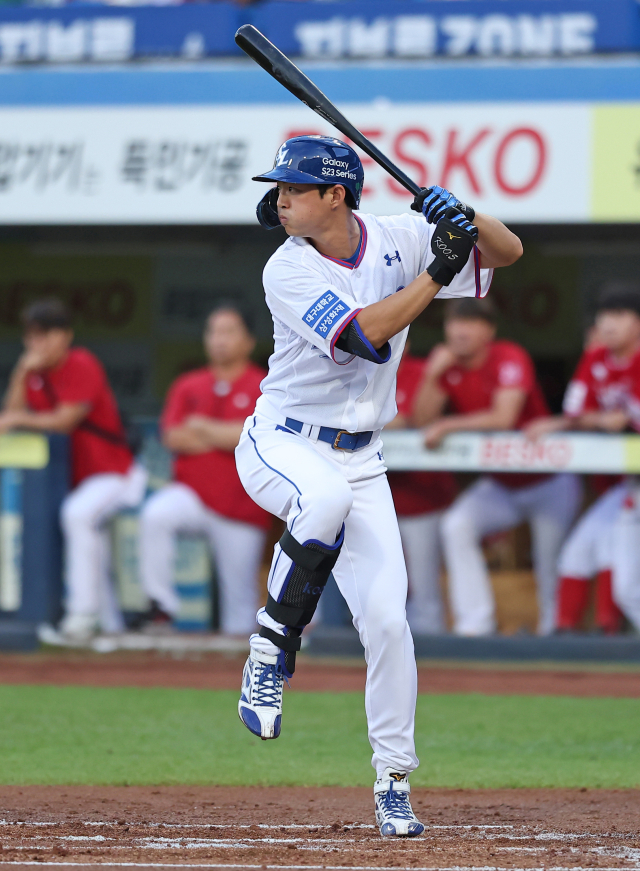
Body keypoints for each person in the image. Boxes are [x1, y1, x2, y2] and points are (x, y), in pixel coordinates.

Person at [234, 135, 521, 837]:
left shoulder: (397, 236)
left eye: (295, 188)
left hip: (363, 458)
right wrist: (433, 277)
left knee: (390, 623)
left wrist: (466, 216)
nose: (281, 198)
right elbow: (367, 334)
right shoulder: (287, 268)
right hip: (283, 441)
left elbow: (508, 253)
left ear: (336, 194)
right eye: (280, 188)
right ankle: (273, 642)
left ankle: (393, 778)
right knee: (322, 501)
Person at [414, 297, 581, 637]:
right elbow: (422, 421)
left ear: (488, 330)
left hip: (549, 481)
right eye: (455, 322)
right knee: (457, 525)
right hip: (503, 485)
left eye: (471, 323)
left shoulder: (508, 354)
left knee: (549, 560)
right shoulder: (448, 367)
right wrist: (432, 375)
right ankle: (475, 625)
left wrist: (449, 426)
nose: (461, 330)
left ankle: (553, 633)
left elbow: (504, 418)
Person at [0, 298, 147, 643]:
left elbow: (64, 420)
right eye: (33, 337)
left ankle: (83, 614)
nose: (39, 344)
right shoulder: (33, 374)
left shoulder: (82, 362)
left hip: (116, 473)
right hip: (81, 480)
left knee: (78, 515)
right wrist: (22, 370)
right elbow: (12, 413)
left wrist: (19, 418)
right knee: (83, 524)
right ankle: (107, 623)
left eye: (47, 335)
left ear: (65, 335)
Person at [138, 306, 269, 635]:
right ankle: (161, 607)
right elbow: (174, 436)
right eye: (214, 331)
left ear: (248, 341)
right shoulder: (188, 384)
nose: (219, 339)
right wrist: (228, 435)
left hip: (242, 505)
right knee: (156, 514)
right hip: (192, 496)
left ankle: (229, 678)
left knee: (240, 609)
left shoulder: (264, 384)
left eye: (229, 331)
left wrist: (204, 428)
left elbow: (256, 436)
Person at [526, 285, 640, 633]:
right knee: (577, 555)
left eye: (619, 315)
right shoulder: (596, 357)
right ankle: (568, 639)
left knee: (628, 588)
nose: (608, 324)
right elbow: (577, 412)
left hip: (629, 487)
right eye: (603, 315)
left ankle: (608, 636)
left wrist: (602, 419)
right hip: (627, 486)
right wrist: (589, 420)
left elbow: (624, 419)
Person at [386, 347, 457, 634]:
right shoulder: (357, 370)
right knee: (381, 583)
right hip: (376, 498)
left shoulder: (422, 371)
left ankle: (431, 653)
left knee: (423, 584)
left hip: (423, 495)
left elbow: (417, 419)